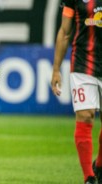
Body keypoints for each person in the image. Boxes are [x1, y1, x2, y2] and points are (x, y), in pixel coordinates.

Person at [51, 0, 102, 184]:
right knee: (85, 116)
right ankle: (88, 177)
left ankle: (100, 166)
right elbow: (65, 32)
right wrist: (56, 69)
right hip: (83, 64)